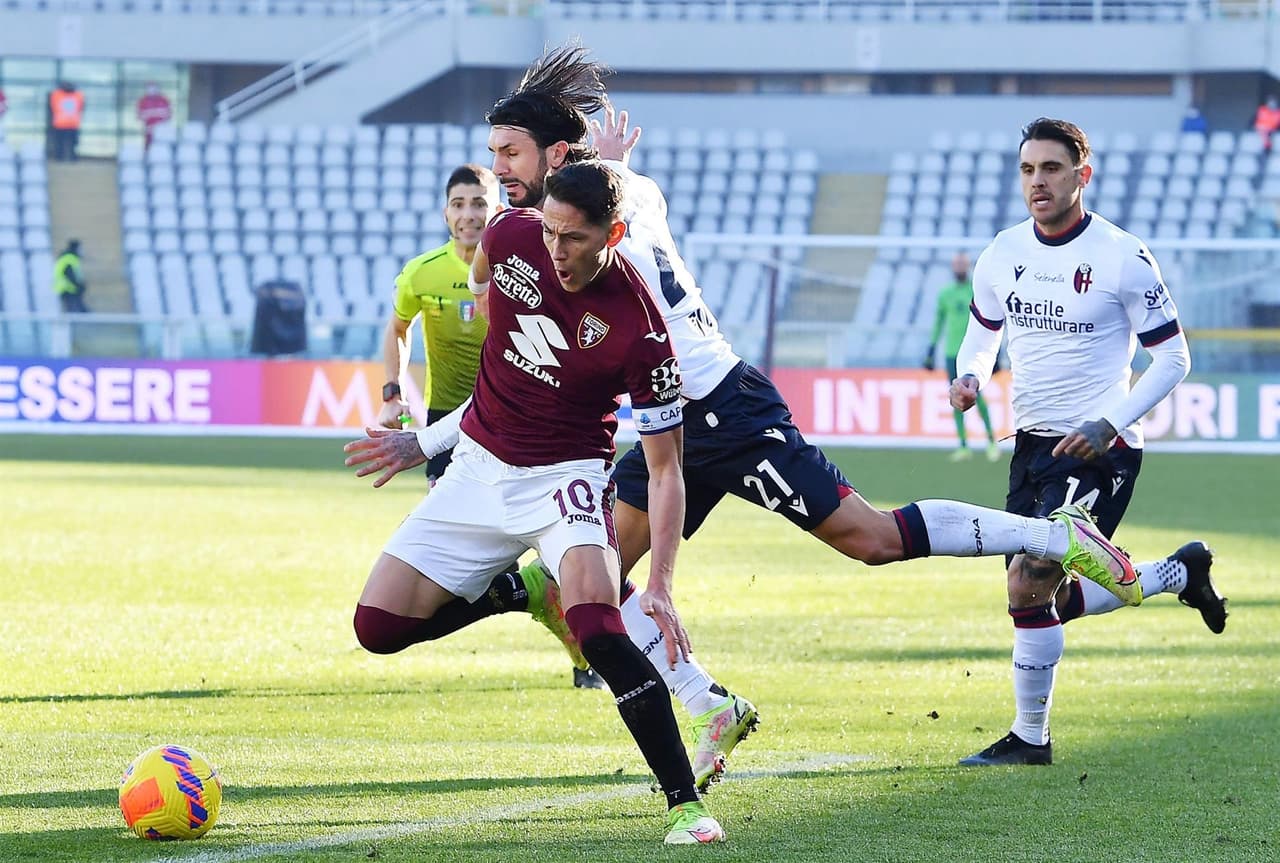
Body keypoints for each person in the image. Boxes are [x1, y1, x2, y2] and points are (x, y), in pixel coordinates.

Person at [346, 45, 1145, 789]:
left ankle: (1054, 535)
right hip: (672, 421)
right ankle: (708, 703)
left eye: (508, 157)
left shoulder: (584, 230)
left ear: (558, 158)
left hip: (724, 407)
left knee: (868, 538)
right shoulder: (598, 202)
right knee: (579, 583)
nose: (497, 175)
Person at [349, 160, 728, 845]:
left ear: (612, 232)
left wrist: (664, 583)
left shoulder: (641, 327)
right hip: (477, 466)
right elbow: (498, 338)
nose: (555, 249)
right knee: (376, 626)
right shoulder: (511, 234)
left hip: (565, 480)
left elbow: (668, 470)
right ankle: (512, 592)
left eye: (574, 238)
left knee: (599, 627)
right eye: (549, 231)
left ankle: (685, 803)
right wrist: (424, 440)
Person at [949, 117, 1228, 767]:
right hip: (1031, 447)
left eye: (1050, 168)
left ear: (1082, 174)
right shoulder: (1003, 250)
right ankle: (1176, 572)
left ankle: (1029, 738)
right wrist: (971, 373)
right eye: (1027, 170)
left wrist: (1109, 422)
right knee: (1049, 596)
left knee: (1027, 584)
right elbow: (983, 329)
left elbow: (1174, 359)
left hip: (1101, 450)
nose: (1037, 182)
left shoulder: (1122, 257)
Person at [924, 251, 999, 462]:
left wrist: (997, 351)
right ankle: (963, 445)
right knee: (955, 396)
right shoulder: (945, 294)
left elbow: (991, 320)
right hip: (951, 354)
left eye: (962, 264)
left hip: (975, 355)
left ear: (968, 267)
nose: (959, 267)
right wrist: (931, 349)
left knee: (979, 397)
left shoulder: (976, 291)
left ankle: (991, 441)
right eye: (956, 264)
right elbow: (938, 323)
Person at [48, 82, 84, 162]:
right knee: (61, 143)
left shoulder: (58, 95)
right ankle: (62, 158)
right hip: (62, 124)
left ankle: (70, 158)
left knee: (71, 144)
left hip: (70, 124)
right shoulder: (58, 95)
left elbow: (81, 107)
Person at [53, 239, 88, 313]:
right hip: (68, 290)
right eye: (81, 249)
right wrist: (80, 286)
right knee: (76, 312)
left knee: (76, 312)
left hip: (69, 290)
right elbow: (70, 276)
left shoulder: (69, 258)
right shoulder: (69, 259)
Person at [136, 83, 172, 151]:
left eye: (154, 88)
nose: (152, 90)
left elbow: (168, 115)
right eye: (150, 88)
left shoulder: (164, 100)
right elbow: (140, 116)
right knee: (148, 147)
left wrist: (153, 113)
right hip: (149, 129)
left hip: (162, 129)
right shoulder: (143, 101)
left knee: (161, 147)